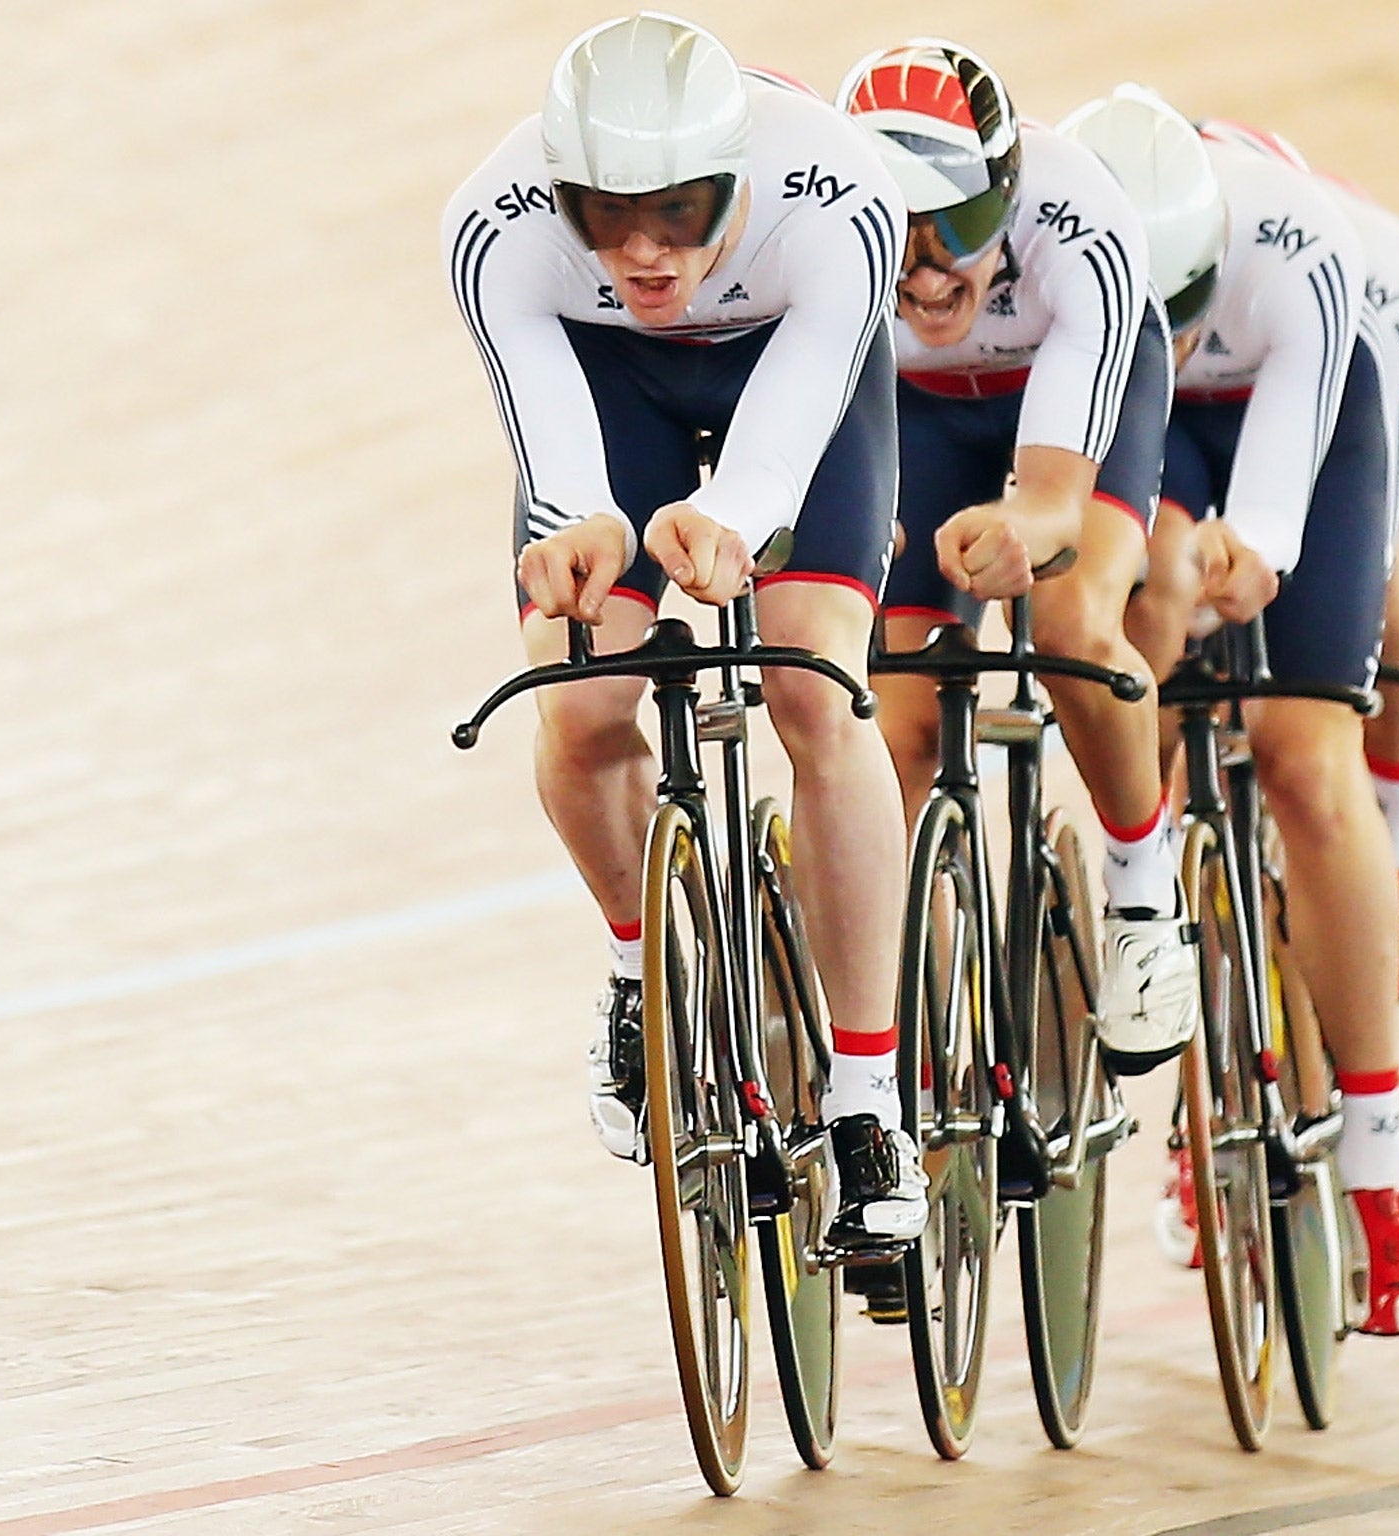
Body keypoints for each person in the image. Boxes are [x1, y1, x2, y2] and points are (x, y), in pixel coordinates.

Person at [441, 13, 924, 1244]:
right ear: (561, 194)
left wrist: (733, 520)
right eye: (605, 218)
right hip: (610, 384)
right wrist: (578, 523)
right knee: (583, 690)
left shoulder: (841, 194)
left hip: (789, 372)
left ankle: (867, 1102)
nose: (645, 252)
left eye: (679, 213)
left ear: (738, 185)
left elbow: (786, 440)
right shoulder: (491, 226)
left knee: (818, 687)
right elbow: (553, 445)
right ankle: (634, 964)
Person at [1060, 84, 1399, 1335]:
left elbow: (1277, 510)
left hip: (1317, 408)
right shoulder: (1062, 252)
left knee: (1298, 753)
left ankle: (1380, 1167)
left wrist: (1258, 553)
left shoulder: (1301, 249)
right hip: (1153, 433)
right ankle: (1180, 1033)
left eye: (1173, 313)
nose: (1160, 336)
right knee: (1147, 631)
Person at [837, 41, 1198, 1076]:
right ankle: (892, 1017)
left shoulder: (1078, 218)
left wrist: (1026, 533)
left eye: (954, 226)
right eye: (895, 234)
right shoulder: (824, 238)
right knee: (894, 714)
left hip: (1077, 392)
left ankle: (1140, 899)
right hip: (918, 415)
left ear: (1005, 194)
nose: (924, 267)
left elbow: (1050, 505)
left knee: (1077, 625)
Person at [1198, 120, 1399, 1003]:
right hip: (1227, 384)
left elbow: (1368, 513)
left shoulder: (1380, 276)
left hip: (1381, 389)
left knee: (1374, 573)